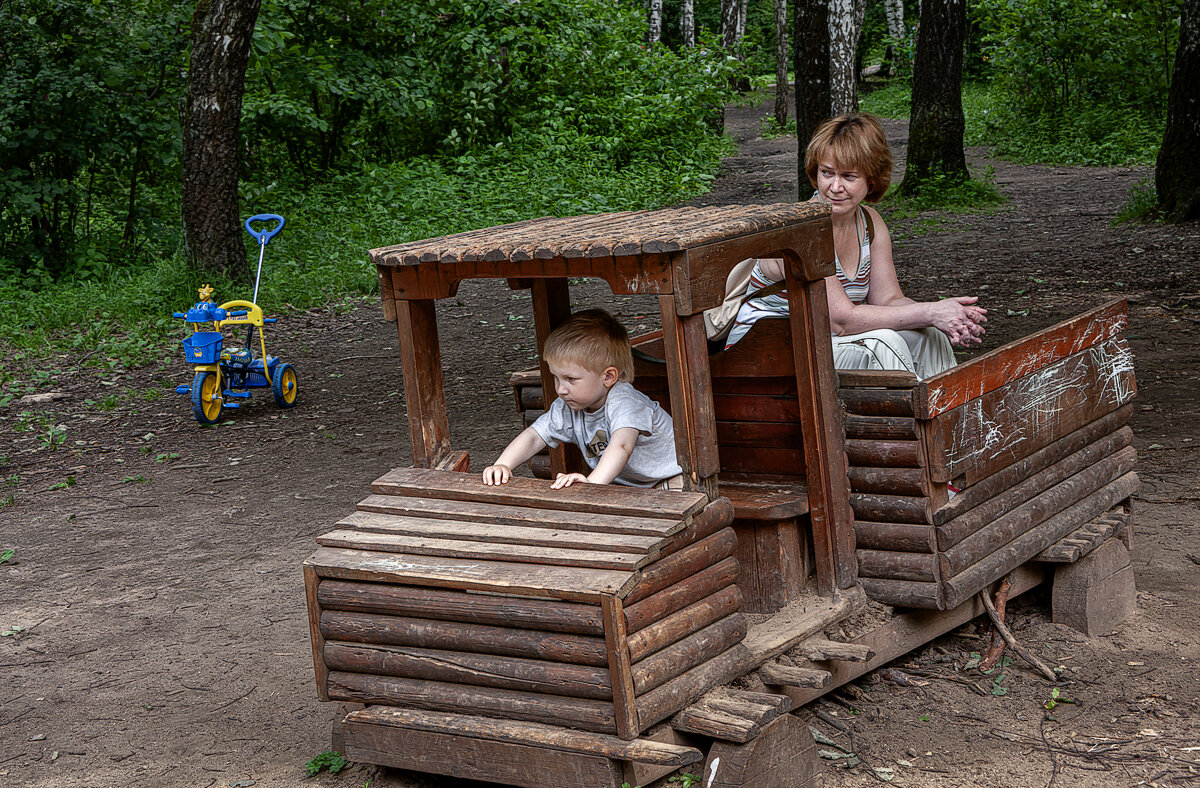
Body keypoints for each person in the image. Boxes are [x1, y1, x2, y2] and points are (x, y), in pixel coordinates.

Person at [722, 113, 987, 379]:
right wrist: (931, 311)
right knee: (882, 343)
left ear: (871, 180)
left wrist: (951, 316)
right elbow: (842, 321)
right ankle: (905, 408)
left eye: (849, 176)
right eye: (827, 173)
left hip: (821, 341)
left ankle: (950, 406)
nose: (835, 187)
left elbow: (888, 300)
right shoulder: (800, 230)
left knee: (928, 335)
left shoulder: (870, 223)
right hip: (762, 352)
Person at [482, 308, 684, 490]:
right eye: (556, 378)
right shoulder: (568, 406)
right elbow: (534, 436)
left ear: (608, 377)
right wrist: (503, 464)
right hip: (629, 487)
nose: (561, 389)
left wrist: (591, 486)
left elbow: (622, 446)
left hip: (671, 478)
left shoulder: (625, 402)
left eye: (571, 379)